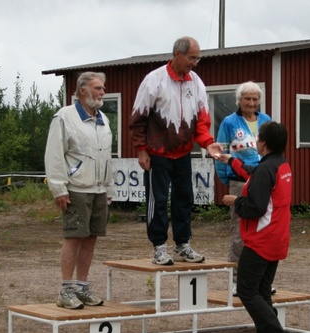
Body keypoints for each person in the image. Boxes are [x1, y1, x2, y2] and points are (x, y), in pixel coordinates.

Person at [129, 36, 223, 265]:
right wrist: (141, 150)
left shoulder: (196, 82)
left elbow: (202, 120)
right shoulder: (154, 80)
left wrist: (208, 142)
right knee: (157, 200)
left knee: (185, 199)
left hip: (182, 153)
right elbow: (137, 119)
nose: (195, 63)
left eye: (198, 58)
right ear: (177, 54)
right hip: (157, 154)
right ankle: (159, 247)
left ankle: (183, 245)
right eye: (192, 58)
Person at [221, 121, 296, 333]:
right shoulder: (281, 165)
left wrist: (235, 201)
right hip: (277, 237)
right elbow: (254, 175)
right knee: (262, 292)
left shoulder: (266, 170)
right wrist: (229, 160)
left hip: (261, 239)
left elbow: (255, 207)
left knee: (245, 289)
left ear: (262, 143)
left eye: (258, 138)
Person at [45, 71, 113, 309]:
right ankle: (65, 290)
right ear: (82, 90)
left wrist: (109, 190)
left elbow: (107, 158)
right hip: (75, 188)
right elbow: (54, 154)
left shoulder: (103, 119)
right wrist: (58, 188)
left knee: (91, 238)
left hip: (98, 190)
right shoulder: (65, 117)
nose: (102, 92)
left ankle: (82, 287)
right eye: (98, 88)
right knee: (73, 237)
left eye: (103, 88)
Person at [215, 81, 271, 295]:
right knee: (239, 233)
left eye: (255, 99)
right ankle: (236, 281)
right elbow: (220, 154)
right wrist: (227, 181)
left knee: (263, 231)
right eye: (247, 99)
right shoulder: (229, 122)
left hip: (263, 181)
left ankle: (261, 281)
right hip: (238, 182)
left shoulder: (266, 120)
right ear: (239, 100)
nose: (251, 103)